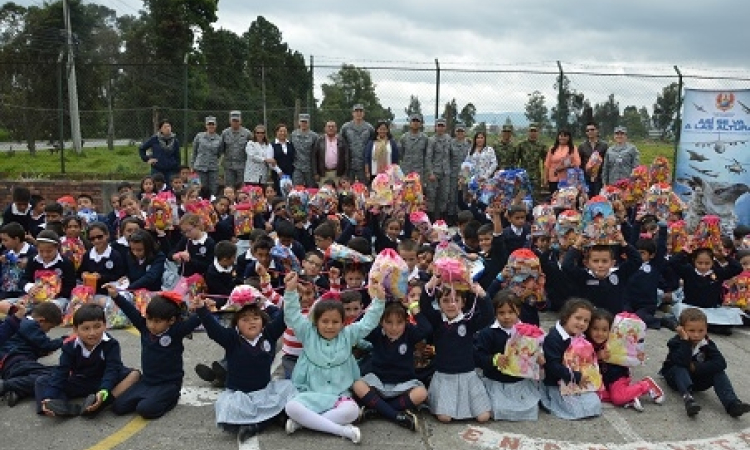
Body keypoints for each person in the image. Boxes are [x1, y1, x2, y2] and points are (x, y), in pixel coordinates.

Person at [283, 272, 385, 444]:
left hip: (338, 395)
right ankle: (342, 430)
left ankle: (304, 423)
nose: (330, 326)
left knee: (352, 411)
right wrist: (291, 291)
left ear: (343, 322)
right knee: (291, 407)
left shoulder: (348, 334)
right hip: (310, 393)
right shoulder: (307, 333)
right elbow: (292, 315)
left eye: (335, 322)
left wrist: (379, 300)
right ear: (316, 321)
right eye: (325, 321)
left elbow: (368, 322)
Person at [192, 292, 296, 441]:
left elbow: (284, 318)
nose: (251, 322)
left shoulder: (269, 335)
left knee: (291, 391)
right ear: (236, 324)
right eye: (245, 319)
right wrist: (202, 309)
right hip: (240, 394)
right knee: (228, 410)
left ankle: (258, 424)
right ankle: (271, 420)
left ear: (263, 320)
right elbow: (214, 330)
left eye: (255, 318)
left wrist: (291, 293)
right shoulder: (232, 339)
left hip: (264, 391)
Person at [106, 286, 201, 418]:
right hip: (147, 381)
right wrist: (116, 296)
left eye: (157, 321)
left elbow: (195, 321)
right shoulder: (145, 328)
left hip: (168, 384)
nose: (151, 325)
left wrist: (203, 308)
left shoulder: (176, 332)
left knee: (145, 409)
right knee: (118, 407)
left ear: (171, 320)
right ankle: (150, 397)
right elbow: (130, 311)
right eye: (149, 319)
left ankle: (172, 397)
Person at [35, 304, 140, 417]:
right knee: (42, 381)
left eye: (97, 327)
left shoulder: (111, 344)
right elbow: (62, 372)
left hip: (104, 379)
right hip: (81, 380)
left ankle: (102, 403)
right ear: (76, 330)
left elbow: (112, 369)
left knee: (135, 375)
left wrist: (104, 390)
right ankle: (63, 407)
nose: (92, 333)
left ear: (104, 326)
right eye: (86, 328)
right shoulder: (70, 346)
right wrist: (49, 397)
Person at [419, 274, 493, 423]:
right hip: (445, 376)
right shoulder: (437, 321)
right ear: (439, 304)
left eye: (455, 300)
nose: (451, 305)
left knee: (484, 417)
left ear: (463, 303)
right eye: (445, 301)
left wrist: (481, 294)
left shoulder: (468, 320)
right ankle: (436, 401)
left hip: (468, 376)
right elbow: (425, 306)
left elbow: (488, 317)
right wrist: (431, 284)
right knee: (445, 418)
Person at [353, 302, 430, 431]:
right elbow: (359, 325)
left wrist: (412, 307)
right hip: (378, 383)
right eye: (388, 322)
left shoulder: (410, 333)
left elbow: (427, 328)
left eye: (399, 322)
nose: (394, 328)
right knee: (357, 385)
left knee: (421, 393)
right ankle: (396, 415)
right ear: (381, 321)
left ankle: (376, 410)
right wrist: (376, 304)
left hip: (403, 385)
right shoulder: (376, 333)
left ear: (406, 322)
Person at [661, 308, 750, 417]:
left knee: (719, 372)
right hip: (676, 380)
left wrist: (696, 367)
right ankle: (688, 399)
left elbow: (721, 363)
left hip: (696, 379)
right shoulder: (675, 343)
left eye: (701, 331)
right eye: (691, 331)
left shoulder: (707, 344)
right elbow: (682, 362)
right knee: (679, 368)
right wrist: (685, 341)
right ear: (682, 329)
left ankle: (732, 404)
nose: (697, 335)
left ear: (706, 329)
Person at [474, 290, 542, 421]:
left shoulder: (526, 331)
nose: (506, 317)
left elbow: (535, 349)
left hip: (519, 381)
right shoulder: (487, 333)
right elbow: (478, 356)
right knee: (497, 409)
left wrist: (537, 357)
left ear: (518, 312)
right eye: (501, 313)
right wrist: (494, 359)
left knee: (530, 408)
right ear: (495, 313)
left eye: (511, 312)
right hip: (496, 380)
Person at [585, 309, 663, 412]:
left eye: (604, 330)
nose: (600, 333)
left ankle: (646, 385)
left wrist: (638, 356)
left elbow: (632, 353)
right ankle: (629, 397)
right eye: (595, 329)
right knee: (592, 395)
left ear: (611, 330)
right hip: (601, 379)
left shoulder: (616, 341)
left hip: (617, 376)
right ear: (589, 328)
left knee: (617, 398)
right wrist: (597, 356)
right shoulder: (585, 343)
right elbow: (582, 361)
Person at [540, 298, 601, 420]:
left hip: (574, 382)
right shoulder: (554, 339)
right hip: (557, 384)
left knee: (594, 404)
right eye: (578, 318)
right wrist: (576, 376)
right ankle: (545, 399)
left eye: (586, 321)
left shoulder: (580, 335)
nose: (582, 323)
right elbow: (552, 366)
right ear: (566, 316)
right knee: (575, 411)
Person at [0, 302, 63, 407]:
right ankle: (5, 386)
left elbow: (29, 345)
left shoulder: (22, 325)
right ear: (41, 321)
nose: (48, 331)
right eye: (50, 327)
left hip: (10, 367)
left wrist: (41, 352)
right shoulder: (30, 324)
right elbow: (46, 344)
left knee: (34, 378)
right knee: (55, 374)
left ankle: (17, 391)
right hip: (18, 361)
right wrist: (64, 340)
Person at [563, 234, 642, 315]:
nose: (600, 265)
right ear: (586, 263)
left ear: (612, 263)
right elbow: (566, 266)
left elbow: (637, 261)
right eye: (595, 261)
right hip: (591, 322)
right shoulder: (583, 277)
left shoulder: (619, 275)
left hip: (613, 321)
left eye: (605, 261)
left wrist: (623, 243)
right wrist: (577, 245)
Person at [77, 222, 126, 296]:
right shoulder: (87, 255)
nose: (96, 241)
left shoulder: (115, 255)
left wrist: (101, 276)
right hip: (89, 292)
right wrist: (83, 274)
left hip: (108, 292)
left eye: (99, 237)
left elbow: (119, 276)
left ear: (107, 235)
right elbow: (80, 272)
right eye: (92, 238)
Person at [0, 222, 37, 300]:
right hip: (5, 291)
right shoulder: (6, 253)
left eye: (5, 240)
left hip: (23, 292)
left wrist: (28, 263)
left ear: (16, 239)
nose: (3, 243)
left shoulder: (33, 253)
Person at [425, 118, 452, 222]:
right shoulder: (431, 140)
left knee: (444, 196)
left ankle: (442, 220)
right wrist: (430, 173)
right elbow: (428, 157)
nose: (440, 128)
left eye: (442, 126)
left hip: (446, 173)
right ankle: (431, 220)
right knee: (431, 197)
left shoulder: (449, 139)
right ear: (435, 127)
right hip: (434, 173)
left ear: (445, 127)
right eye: (438, 126)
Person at [340, 103, 374, 183]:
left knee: (365, 187)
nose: (358, 113)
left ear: (364, 113)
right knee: (347, 188)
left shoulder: (369, 128)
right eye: (356, 111)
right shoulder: (346, 127)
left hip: (363, 164)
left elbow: (372, 144)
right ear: (353, 113)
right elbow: (341, 143)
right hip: (349, 163)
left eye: (361, 111)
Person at [139, 119, 180, 184]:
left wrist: (177, 169)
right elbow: (142, 149)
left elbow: (177, 156)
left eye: (169, 126)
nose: (168, 128)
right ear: (160, 129)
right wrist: (147, 159)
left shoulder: (175, 141)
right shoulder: (154, 139)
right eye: (165, 127)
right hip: (157, 169)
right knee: (156, 187)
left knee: (169, 188)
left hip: (171, 170)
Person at [514, 123, 547, 199]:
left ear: (538, 132)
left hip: (536, 177)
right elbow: (515, 161)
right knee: (522, 198)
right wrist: (516, 175)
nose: (533, 133)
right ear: (528, 132)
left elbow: (545, 163)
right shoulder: (521, 145)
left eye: (535, 131)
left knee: (536, 198)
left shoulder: (541, 146)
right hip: (523, 176)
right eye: (531, 131)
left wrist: (544, 176)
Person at [192, 116, 222, 195]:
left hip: (213, 167)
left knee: (213, 188)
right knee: (199, 188)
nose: (211, 126)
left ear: (216, 125)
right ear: (206, 125)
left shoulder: (219, 139)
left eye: (213, 124)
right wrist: (192, 166)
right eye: (209, 124)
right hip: (200, 167)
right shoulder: (199, 136)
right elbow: (194, 151)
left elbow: (219, 153)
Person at [220, 111, 251, 190]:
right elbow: (221, 148)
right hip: (229, 166)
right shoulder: (225, 133)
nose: (235, 123)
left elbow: (251, 149)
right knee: (229, 188)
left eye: (237, 121)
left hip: (242, 165)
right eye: (233, 121)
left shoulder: (247, 133)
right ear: (230, 121)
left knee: (242, 188)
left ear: (240, 121)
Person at [449, 124, 472, 224]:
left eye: (462, 131)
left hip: (465, 173)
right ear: (455, 132)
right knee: (452, 195)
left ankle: (463, 217)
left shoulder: (468, 144)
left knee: (463, 195)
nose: (460, 133)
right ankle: (452, 217)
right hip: (453, 172)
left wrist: (464, 176)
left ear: (465, 133)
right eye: (458, 131)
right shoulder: (450, 143)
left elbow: (469, 161)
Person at [578, 122, 608, 195]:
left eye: (592, 129)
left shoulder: (604, 145)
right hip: (586, 178)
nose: (590, 132)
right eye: (587, 130)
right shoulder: (582, 146)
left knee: (599, 199)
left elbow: (606, 162)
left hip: (599, 178)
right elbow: (580, 163)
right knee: (587, 199)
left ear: (597, 131)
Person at [290, 113, 318, 187]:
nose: (303, 124)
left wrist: (316, 171)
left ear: (308, 123)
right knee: (297, 190)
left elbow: (316, 153)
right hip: (297, 167)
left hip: (310, 168)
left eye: (305, 122)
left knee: (311, 189)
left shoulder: (314, 136)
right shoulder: (293, 134)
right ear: (299, 122)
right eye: (302, 121)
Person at [398, 113, 428, 183]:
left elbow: (426, 155)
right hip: (406, 171)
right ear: (410, 123)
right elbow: (401, 154)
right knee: (405, 192)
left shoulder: (425, 138)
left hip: (419, 171)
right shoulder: (403, 138)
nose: (415, 123)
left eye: (417, 121)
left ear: (421, 124)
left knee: (418, 192)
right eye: (413, 121)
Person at [269, 123, 296, 194]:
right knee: (279, 193)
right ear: (276, 132)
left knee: (290, 194)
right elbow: (270, 161)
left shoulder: (290, 144)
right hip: (278, 174)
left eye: (285, 131)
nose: (283, 133)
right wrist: (279, 172)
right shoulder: (271, 145)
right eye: (280, 131)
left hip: (290, 174)